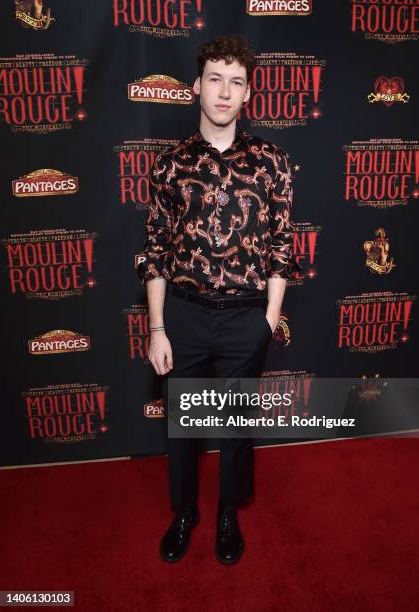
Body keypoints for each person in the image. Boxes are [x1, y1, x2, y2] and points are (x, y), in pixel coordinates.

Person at [136, 34, 296, 564]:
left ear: (248, 92)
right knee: (182, 426)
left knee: (234, 427)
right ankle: (185, 513)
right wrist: (157, 328)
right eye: (214, 79)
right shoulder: (170, 165)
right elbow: (155, 250)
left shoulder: (271, 161)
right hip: (182, 315)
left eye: (236, 82)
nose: (224, 92)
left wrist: (268, 321)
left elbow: (281, 246)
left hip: (244, 319)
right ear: (196, 87)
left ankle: (229, 511)